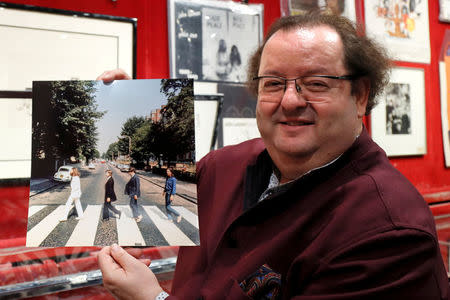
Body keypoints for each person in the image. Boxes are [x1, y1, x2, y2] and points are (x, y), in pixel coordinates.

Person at [98, 12, 448, 300]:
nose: (290, 100)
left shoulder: (391, 235)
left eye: (316, 83)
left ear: (360, 96)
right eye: (274, 83)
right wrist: (138, 101)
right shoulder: (220, 168)